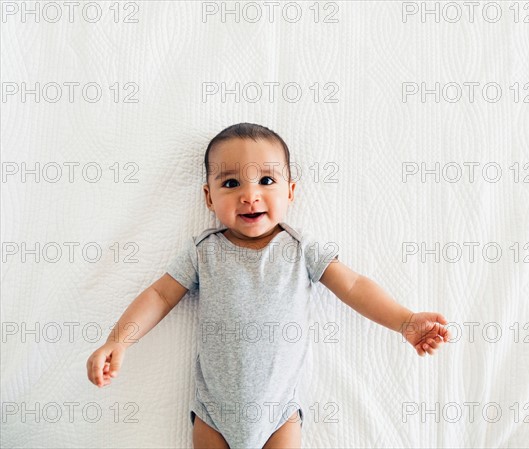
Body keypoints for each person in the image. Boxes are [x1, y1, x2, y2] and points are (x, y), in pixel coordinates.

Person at [86, 122, 451, 449]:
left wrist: (405, 320)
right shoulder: (203, 251)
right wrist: (119, 340)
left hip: (280, 415)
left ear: (291, 191)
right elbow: (160, 295)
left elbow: (353, 286)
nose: (250, 195)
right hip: (215, 413)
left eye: (267, 180)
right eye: (231, 183)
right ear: (209, 197)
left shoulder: (301, 249)